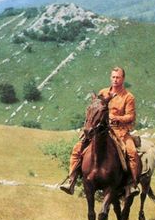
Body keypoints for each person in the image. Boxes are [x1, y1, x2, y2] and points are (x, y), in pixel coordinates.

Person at [60, 66, 141, 198]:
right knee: (77, 149)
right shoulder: (103, 92)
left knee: (132, 152)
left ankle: (131, 184)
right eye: (113, 77)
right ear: (111, 78)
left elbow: (130, 116)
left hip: (120, 130)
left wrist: (116, 118)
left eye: (118, 77)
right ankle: (71, 180)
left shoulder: (128, 97)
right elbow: (95, 108)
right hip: (100, 129)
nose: (115, 80)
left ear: (123, 79)